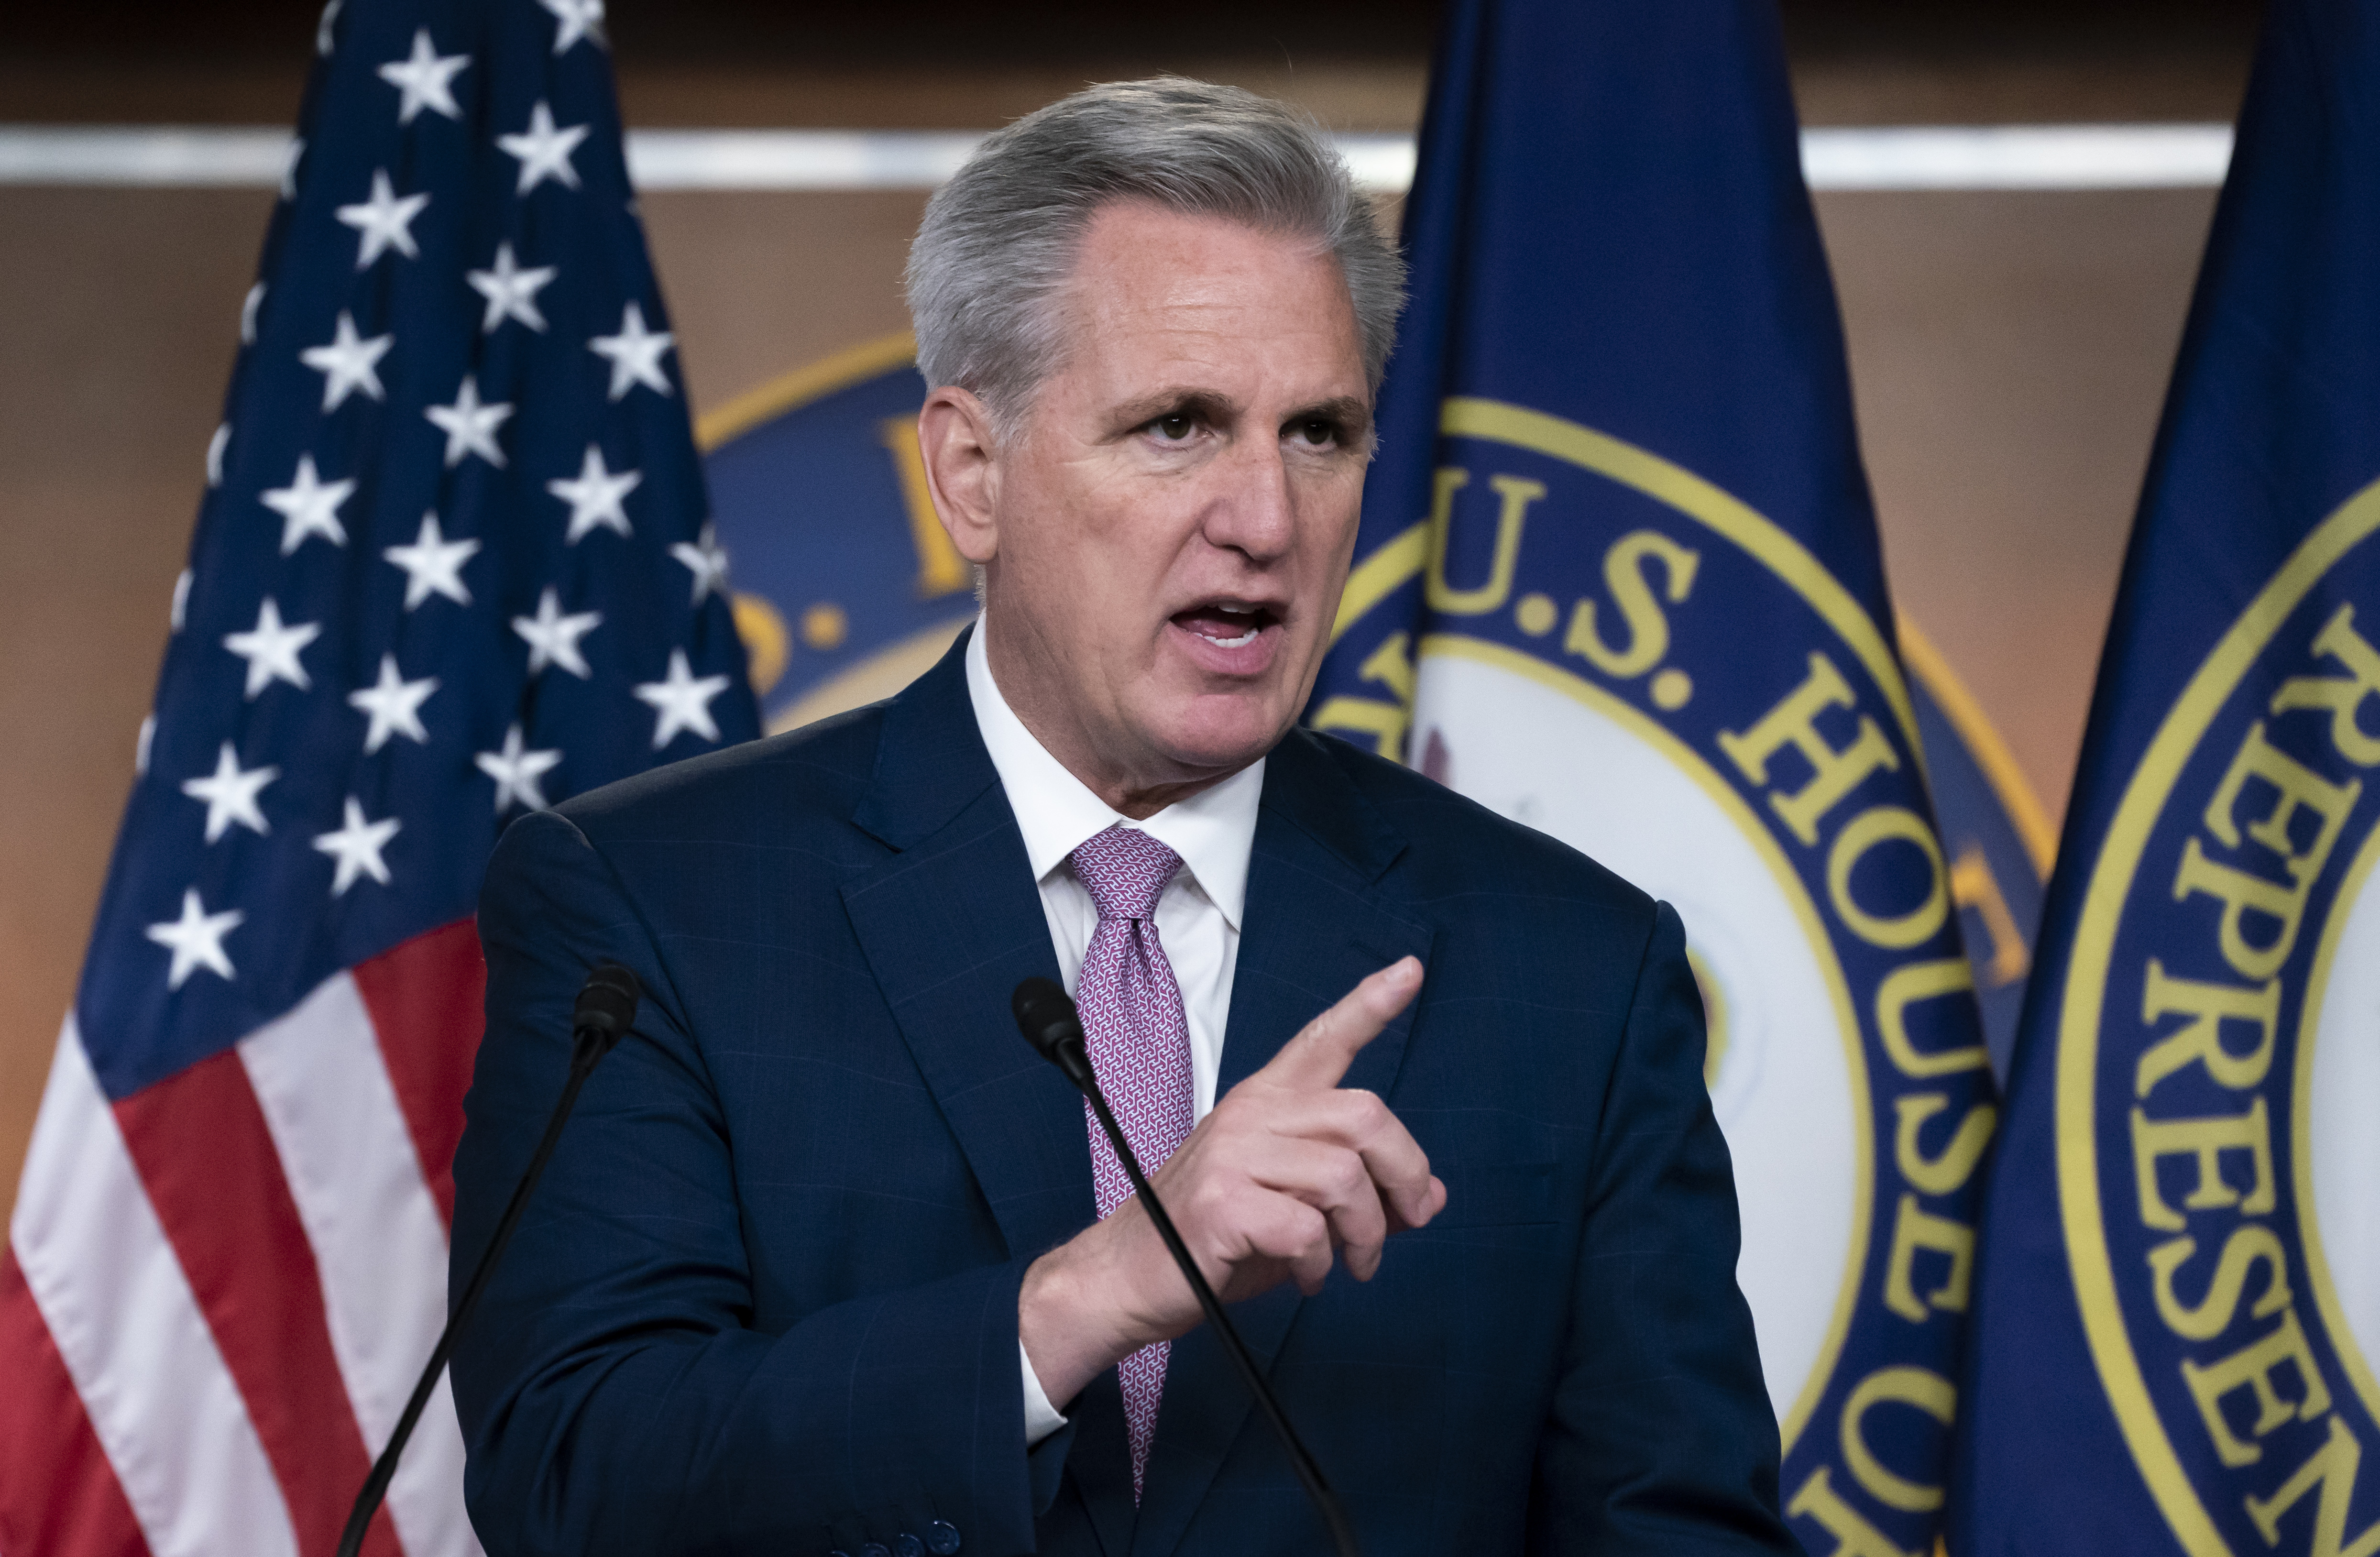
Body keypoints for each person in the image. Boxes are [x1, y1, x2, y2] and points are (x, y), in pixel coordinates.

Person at [451, 77, 1794, 1557]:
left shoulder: (1569, 970)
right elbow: (573, 1479)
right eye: (1177, 426)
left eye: (1320, 434)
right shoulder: (655, 909)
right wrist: (1084, 1298)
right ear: (973, 472)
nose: (1265, 520)